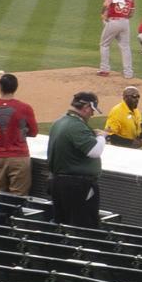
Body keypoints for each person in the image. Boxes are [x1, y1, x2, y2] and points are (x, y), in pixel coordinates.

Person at [47, 91, 104, 226]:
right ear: (86, 108)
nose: (92, 114)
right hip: (77, 186)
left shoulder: (59, 122)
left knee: (62, 223)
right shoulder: (76, 126)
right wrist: (102, 137)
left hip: (59, 183)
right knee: (83, 226)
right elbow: (95, 151)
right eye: (92, 110)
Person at [0, 75, 40, 195]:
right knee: (18, 197)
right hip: (19, 156)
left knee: (0, 195)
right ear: (16, 87)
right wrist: (22, 131)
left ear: (0, 87)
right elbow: (34, 132)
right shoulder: (25, 108)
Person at [98, 0, 135, 77]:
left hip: (114, 21)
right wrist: (124, 18)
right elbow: (131, 13)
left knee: (104, 44)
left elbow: (107, 3)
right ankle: (128, 73)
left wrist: (102, 13)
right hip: (125, 23)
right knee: (125, 47)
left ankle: (104, 69)